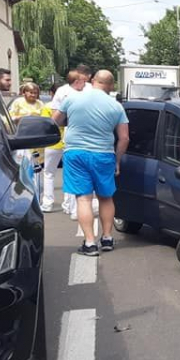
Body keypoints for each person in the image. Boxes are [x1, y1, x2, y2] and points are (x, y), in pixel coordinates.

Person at [52, 69, 129, 256]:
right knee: (106, 197)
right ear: (111, 86)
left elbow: (54, 122)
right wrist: (117, 161)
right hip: (103, 154)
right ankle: (108, 238)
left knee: (84, 198)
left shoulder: (72, 98)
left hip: (76, 153)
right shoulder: (116, 106)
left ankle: (90, 243)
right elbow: (124, 138)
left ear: (93, 80)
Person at [44, 70, 89, 214]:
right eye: (83, 79)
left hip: (64, 135)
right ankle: (69, 206)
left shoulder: (61, 92)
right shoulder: (86, 91)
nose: (85, 82)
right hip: (76, 136)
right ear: (77, 81)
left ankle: (48, 203)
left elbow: (55, 117)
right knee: (71, 171)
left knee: (50, 172)